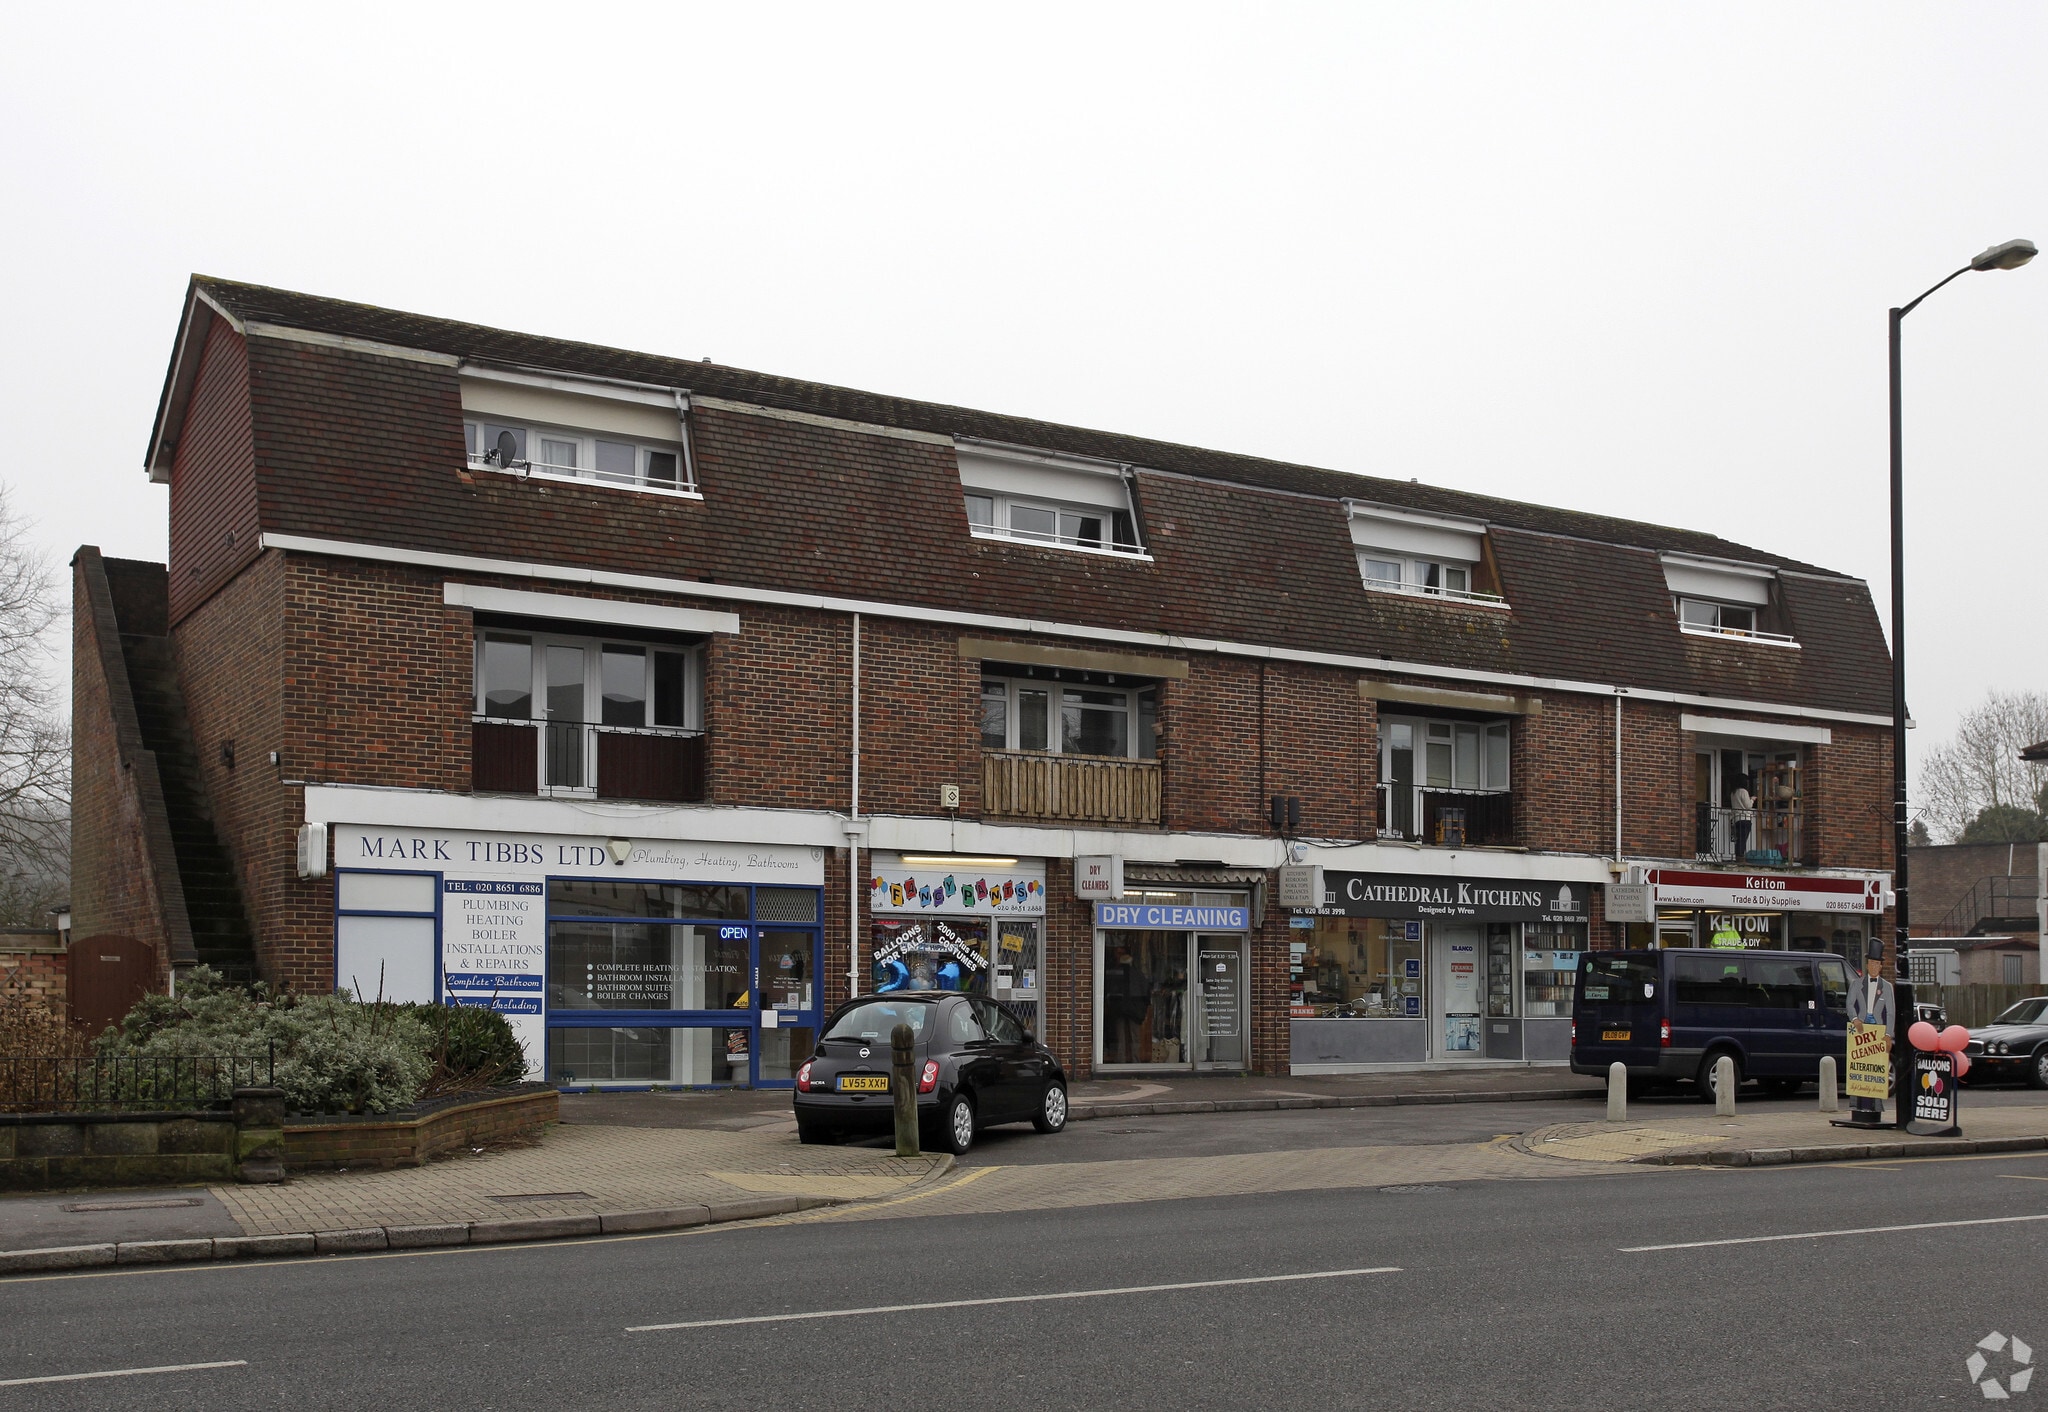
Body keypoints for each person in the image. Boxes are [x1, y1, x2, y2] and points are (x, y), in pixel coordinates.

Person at [1729, 774, 1755, 859]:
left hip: (1737, 818)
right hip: (1745, 818)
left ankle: (1738, 856)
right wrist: (1752, 799)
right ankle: (1740, 856)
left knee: (1739, 839)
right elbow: (1748, 806)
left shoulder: (1733, 793)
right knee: (1743, 839)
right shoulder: (1743, 791)